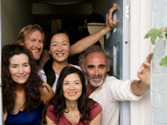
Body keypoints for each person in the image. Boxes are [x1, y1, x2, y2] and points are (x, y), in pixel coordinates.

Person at [17, 5, 118, 68]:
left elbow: (78, 47)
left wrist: (107, 29)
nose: (38, 46)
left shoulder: (46, 55)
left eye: (40, 41)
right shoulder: (14, 65)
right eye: (33, 40)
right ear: (21, 44)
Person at [78, 45, 153, 125]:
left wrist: (145, 83)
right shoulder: (79, 83)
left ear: (107, 68)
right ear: (84, 68)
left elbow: (129, 89)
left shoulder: (111, 84)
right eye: (91, 67)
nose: (97, 73)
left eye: (101, 67)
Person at [2, 44, 54, 124]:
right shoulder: (3, 92)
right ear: (6, 69)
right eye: (15, 66)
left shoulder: (42, 88)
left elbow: (57, 115)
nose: (21, 71)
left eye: (25, 65)